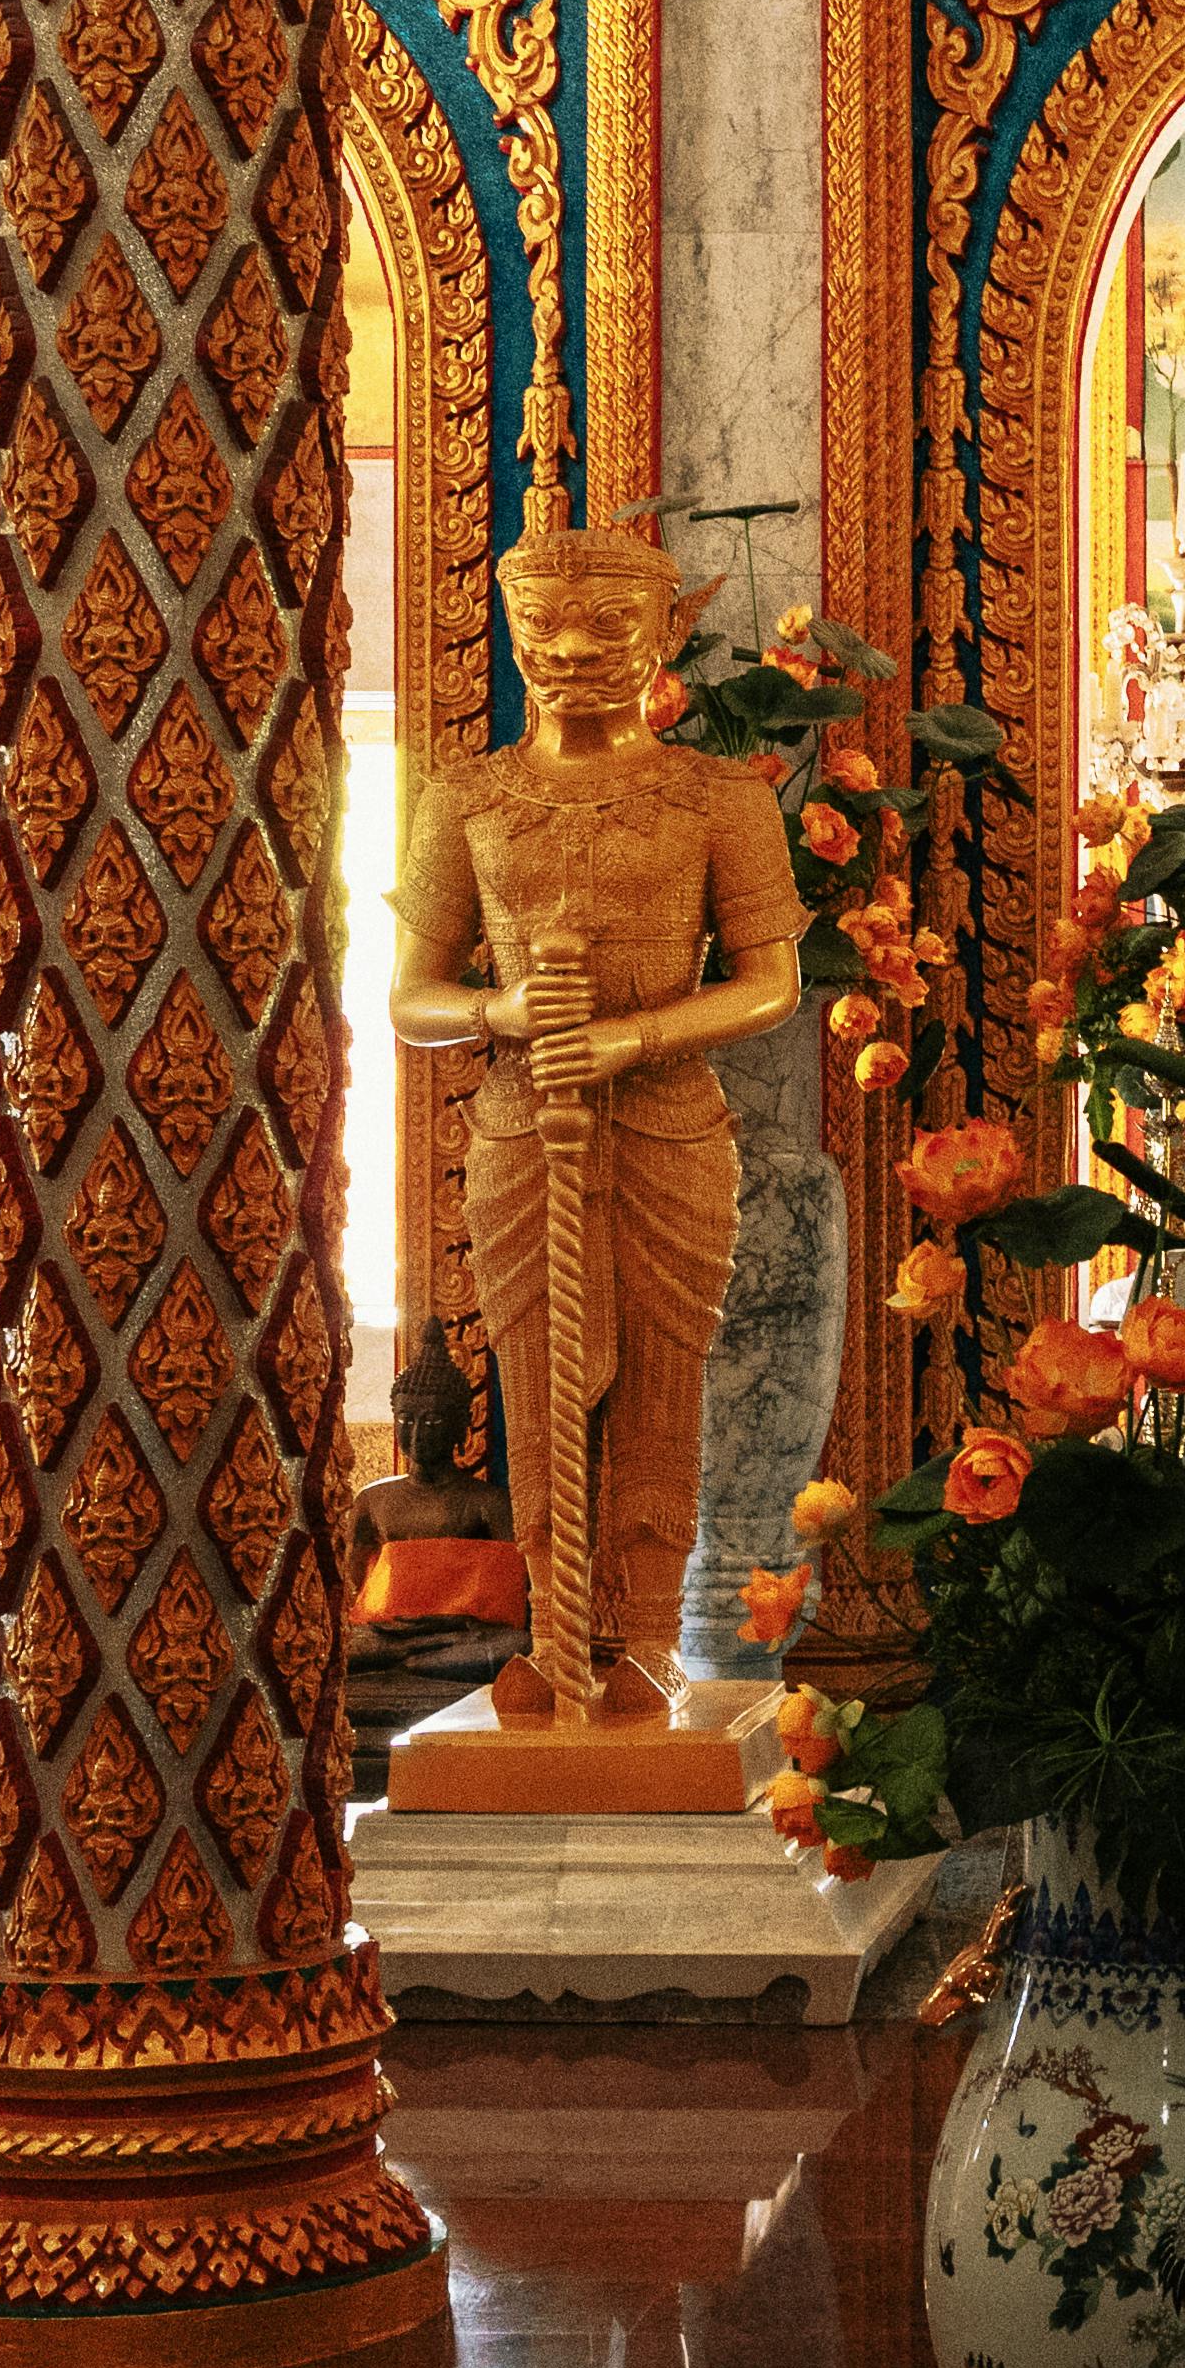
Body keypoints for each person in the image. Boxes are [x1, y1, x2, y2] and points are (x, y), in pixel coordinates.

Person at [392, 523, 803, 1722]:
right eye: (545, 628)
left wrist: (633, 1035)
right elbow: (411, 995)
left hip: (669, 1121)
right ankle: (554, 1628)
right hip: (527, 1123)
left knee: (662, 1373)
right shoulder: (465, 797)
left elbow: (770, 979)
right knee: (540, 1369)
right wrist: (504, 1008)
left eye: (608, 627)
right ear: (514, 635)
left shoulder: (718, 798)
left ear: (666, 635)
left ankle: (648, 1638)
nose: (571, 648)